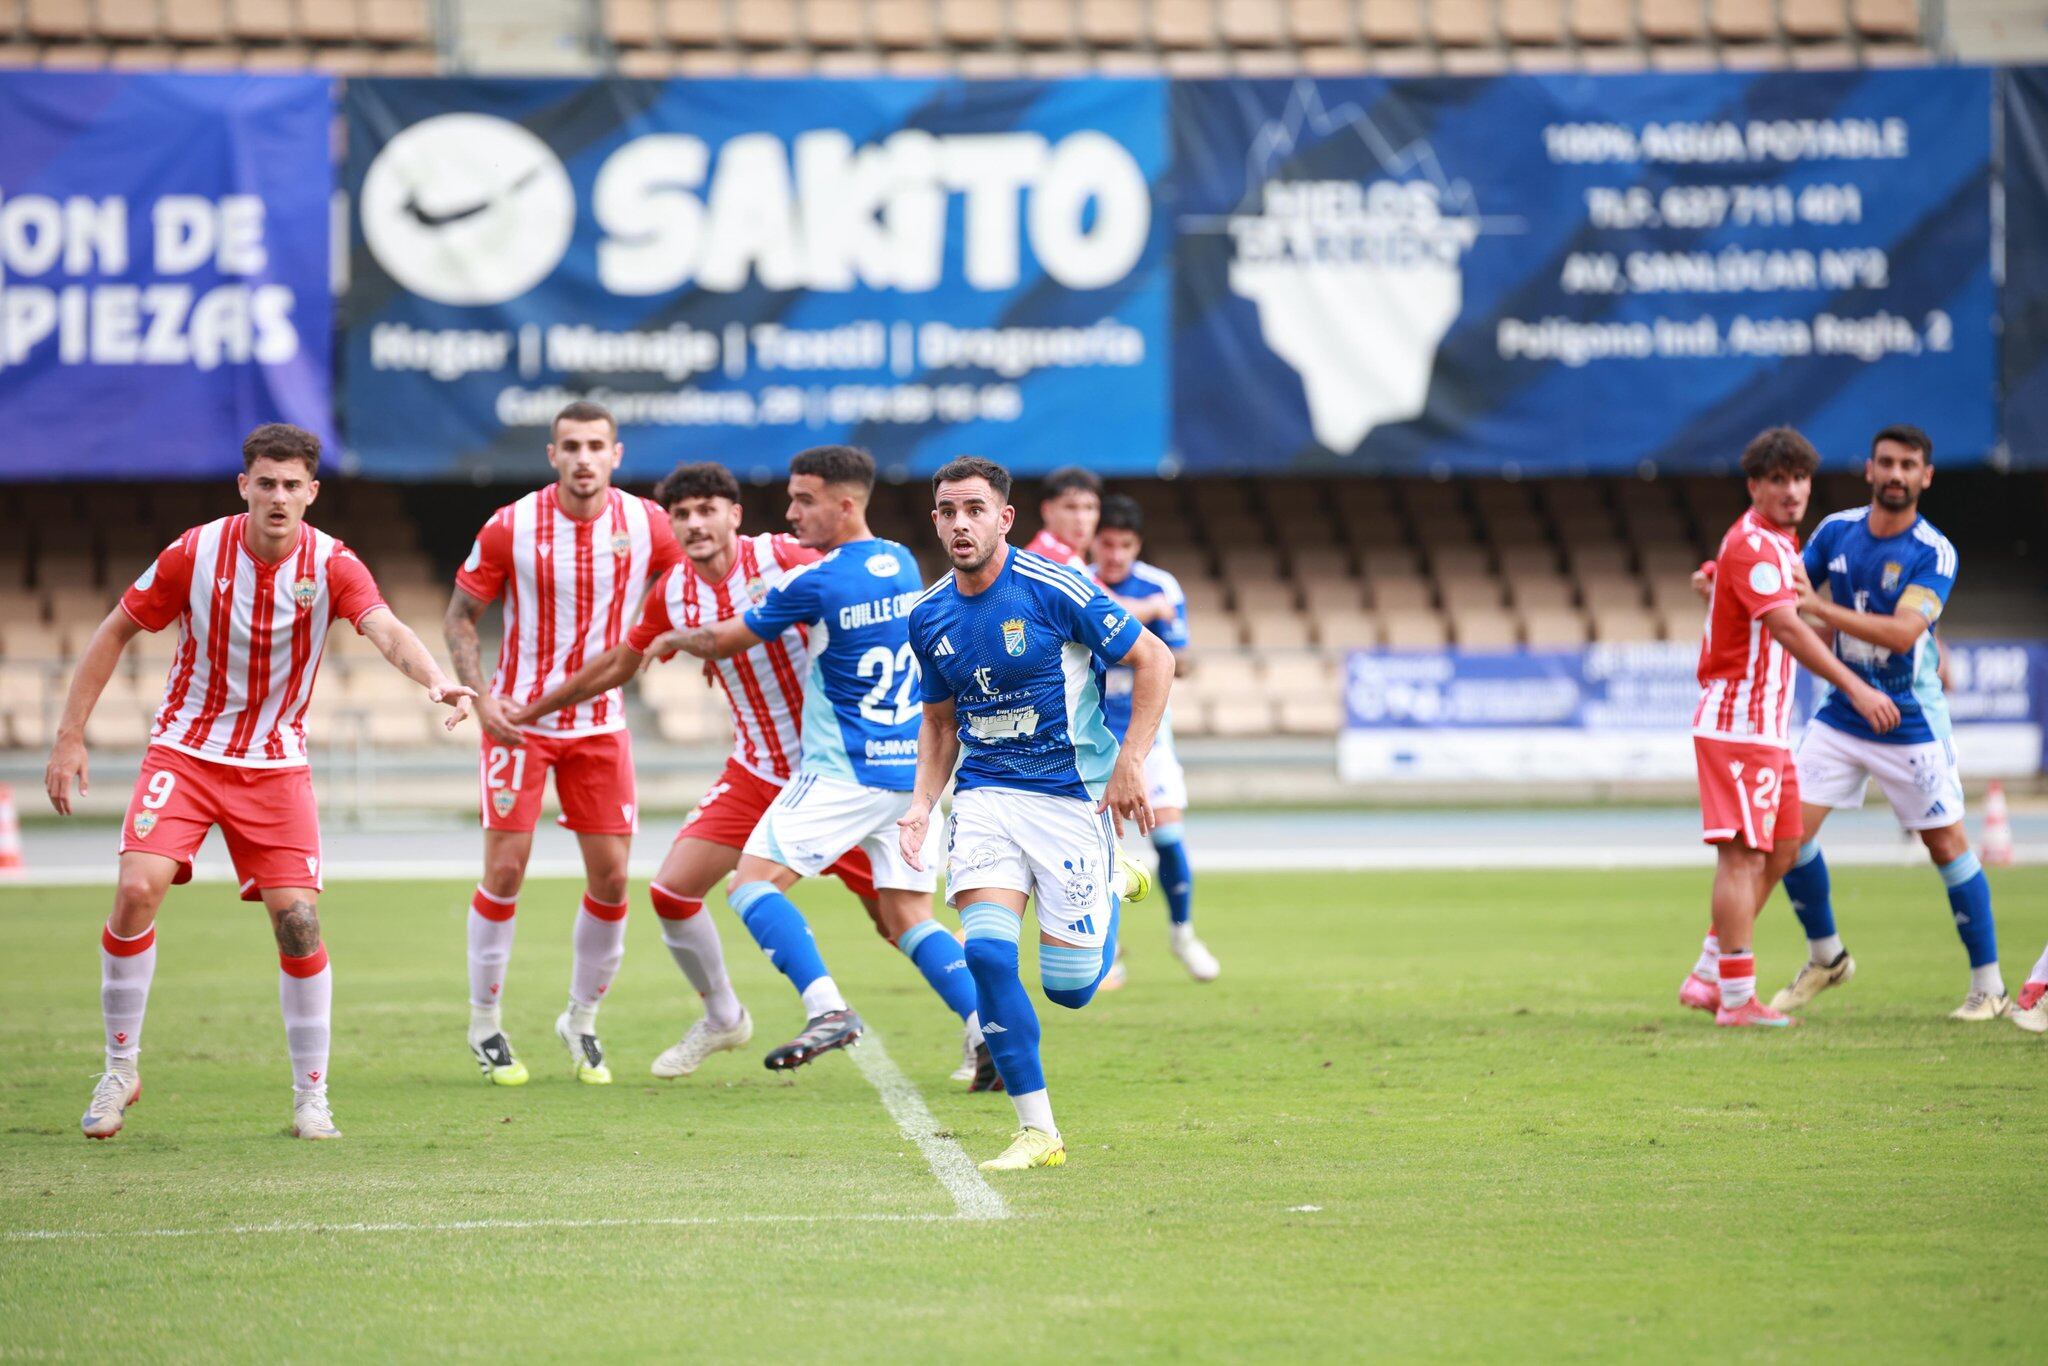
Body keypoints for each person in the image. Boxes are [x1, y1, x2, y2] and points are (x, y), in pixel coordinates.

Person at [46, 423, 474, 1140]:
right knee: (134, 890)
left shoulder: (334, 564)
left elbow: (385, 626)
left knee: (299, 923)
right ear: (244, 486)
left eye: (292, 485)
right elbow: (114, 629)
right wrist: (68, 737)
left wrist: (435, 680)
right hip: (185, 751)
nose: (279, 497)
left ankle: (312, 1097)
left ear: (312, 492)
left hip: (275, 765)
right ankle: (120, 1068)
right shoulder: (195, 551)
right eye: (266, 483)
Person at [506, 461, 934, 1080]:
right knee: (672, 891)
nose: (694, 524)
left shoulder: (788, 555)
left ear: (735, 516)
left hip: (840, 775)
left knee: (897, 922)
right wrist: (533, 710)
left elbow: (865, 589)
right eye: (681, 514)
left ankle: (983, 1030)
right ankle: (723, 1016)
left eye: (708, 510)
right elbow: (618, 664)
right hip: (758, 770)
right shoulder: (673, 594)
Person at [651, 446, 982, 1074]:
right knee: (909, 919)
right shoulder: (903, 562)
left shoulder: (814, 579)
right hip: (910, 776)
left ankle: (827, 1007)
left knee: (749, 887)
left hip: (841, 770)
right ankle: (984, 1029)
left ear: (845, 503)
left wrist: (674, 639)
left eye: (805, 499)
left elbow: (729, 637)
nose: (792, 510)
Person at [899, 456, 1176, 1171]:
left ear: (1004, 518)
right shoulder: (927, 615)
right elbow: (938, 722)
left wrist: (1132, 760)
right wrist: (923, 804)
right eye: (947, 511)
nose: (960, 524)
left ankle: (1111, 880)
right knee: (986, 951)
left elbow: (1155, 660)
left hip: (1068, 801)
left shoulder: (1055, 588)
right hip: (986, 798)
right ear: (935, 520)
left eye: (974, 510)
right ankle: (1038, 1130)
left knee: (1070, 991)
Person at [443, 401, 681, 1087]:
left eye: (595, 445)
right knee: (507, 871)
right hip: (519, 722)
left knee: (610, 881)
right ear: (552, 456)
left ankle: (580, 1021)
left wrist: (672, 630)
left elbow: (689, 578)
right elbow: (462, 615)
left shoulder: (647, 523)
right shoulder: (511, 525)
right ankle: (484, 1024)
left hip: (600, 724)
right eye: (570, 445)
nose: (583, 457)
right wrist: (481, 696)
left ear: (615, 454)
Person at [1762, 426, 2009, 1020]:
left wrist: (1820, 608)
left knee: (1946, 846)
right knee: (1786, 836)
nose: (1896, 474)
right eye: (1887, 463)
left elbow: (1903, 634)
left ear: (1926, 477)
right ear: (1869, 470)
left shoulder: (1934, 551)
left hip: (1911, 721)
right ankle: (1828, 957)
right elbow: (1781, 591)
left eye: (1909, 465)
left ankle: (1989, 986)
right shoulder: (1835, 532)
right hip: (1843, 714)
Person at [1677, 428, 1899, 1028]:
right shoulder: (1754, 544)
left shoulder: (1774, 546)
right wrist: (1854, 684)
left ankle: (1706, 974)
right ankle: (1735, 1000)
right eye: (1778, 479)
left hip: (1769, 727)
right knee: (1743, 858)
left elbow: (1759, 598)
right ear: (1755, 486)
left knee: (1785, 845)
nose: (1792, 489)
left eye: (1800, 478)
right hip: (1740, 725)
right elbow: (1788, 628)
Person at [1090, 494, 1219, 982]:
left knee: (1167, 837)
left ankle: (1182, 934)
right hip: (1093, 736)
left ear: (1137, 545)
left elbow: (1181, 664)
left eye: (1125, 544)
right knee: (1094, 848)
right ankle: (1108, 951)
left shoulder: (1164, 584)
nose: (1115, 554)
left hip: (1147, 735)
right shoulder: (1080, 581)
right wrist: (1144, 617)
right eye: (1107, 543)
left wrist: (1127, 641)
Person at [1024, 465, 1101, 570]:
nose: (1081, 518)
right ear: (1047, 510)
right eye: (1070, 507)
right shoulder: (1064, 563)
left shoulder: (1033, 553)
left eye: (1089, 507)